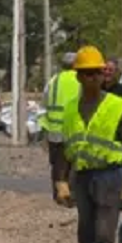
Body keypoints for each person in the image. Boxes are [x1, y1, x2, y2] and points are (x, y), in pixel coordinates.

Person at [52, 45, 122, 243]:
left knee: (103, 233)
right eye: (86, 74)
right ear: (78, 77)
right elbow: (66, 148)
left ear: (103, 76)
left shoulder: (115, 106)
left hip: (109, 176)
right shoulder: (70, 110)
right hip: (83, 177)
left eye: (95, 74)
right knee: (86, 233)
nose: (91, 78)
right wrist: (61, 180)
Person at [39, 52, 78, 184]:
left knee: (58, 166)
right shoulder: (82, 80)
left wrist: (43, 129)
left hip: (55, 132)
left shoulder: (53, 81)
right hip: (76, 132)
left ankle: (59, 192)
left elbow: (43, 106)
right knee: (74, 165)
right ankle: (73, 193)